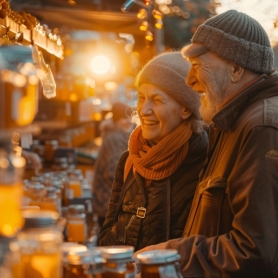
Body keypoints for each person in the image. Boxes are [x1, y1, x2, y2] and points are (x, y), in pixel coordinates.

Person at [135, 9, 278, 278]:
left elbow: (255, 252)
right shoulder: (230, 124)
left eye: (198, 67)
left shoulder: (261, 127)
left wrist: (173, 252)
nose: (190, 81)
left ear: (236, 69)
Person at [98, 52, 208, 251]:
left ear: (185, 109)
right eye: (141, 98)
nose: (143, 110)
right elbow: (106, 233)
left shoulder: (205, 163)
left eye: (157, 100)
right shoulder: (129, 160)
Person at [92, 101, 135, 228]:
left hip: (110, 203)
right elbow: (112, 172)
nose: (128, 121)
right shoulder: (115, 137)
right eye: (123, 118)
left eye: (129, 117)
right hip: (109, 203)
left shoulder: (123, 135)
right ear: (116, 119)